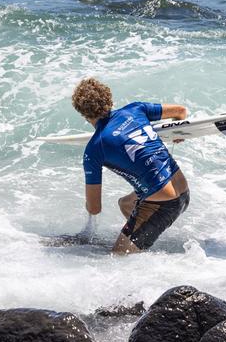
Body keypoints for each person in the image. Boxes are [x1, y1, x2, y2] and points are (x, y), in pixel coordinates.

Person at [71, 77, 190, 254]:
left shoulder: (95, 148)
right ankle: (143, 243)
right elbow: (181, 111)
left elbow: (95, 208)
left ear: (83, 114)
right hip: (184, 191)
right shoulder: (136, 109)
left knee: (117, 257)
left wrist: (88, 205)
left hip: (164, 205)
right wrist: (177, 134)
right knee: (126, 204)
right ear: (109, 99)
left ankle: (140, 248)